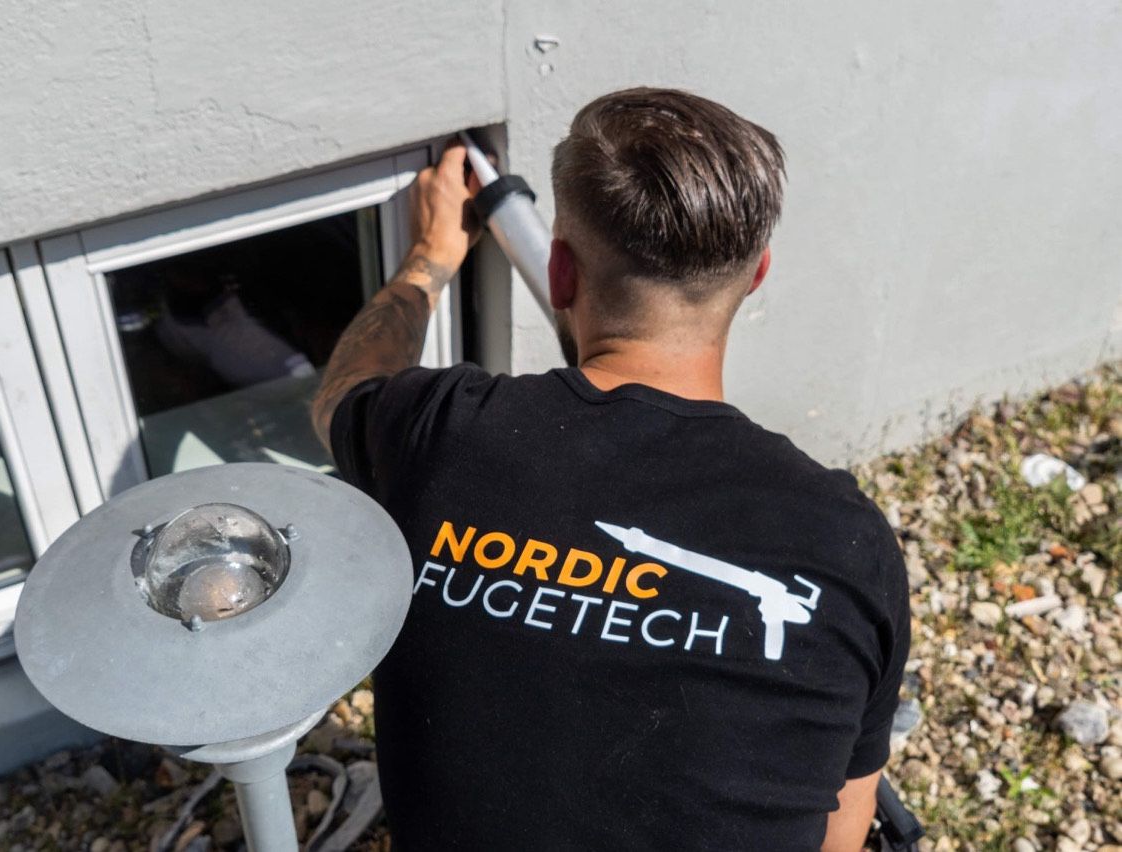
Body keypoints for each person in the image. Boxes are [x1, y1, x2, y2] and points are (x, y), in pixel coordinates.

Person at [311, 87, 910, 851]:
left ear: (560, 273)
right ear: (757, 274)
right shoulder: (848, 542)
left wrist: (431, 256)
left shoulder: (442, 431)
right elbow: (842, 826)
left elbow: (341, 394)